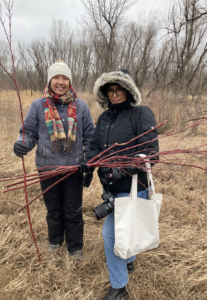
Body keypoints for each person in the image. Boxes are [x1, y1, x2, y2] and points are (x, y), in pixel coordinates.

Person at [79, 69, 159, 299]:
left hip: (132, 186)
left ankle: (119, 287)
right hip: (110, 186)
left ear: (128, 90)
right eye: (110, 91)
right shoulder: (104, 118)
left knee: (110, 235)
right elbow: (95, 146)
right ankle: (129, 260)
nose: (114, 95)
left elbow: (151, 155)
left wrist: (122, 169)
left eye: (119, 90)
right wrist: (89, 164)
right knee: (126, 228)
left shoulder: (141, 114)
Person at [13, 60, 94, 260]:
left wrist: (89, 161)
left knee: (73, 210)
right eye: (56, 77)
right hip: (47, 167)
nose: (60, 82)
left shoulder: (81, 106)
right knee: (54, 209)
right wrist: (22, 143)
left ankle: (75, 248)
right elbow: (29, 133)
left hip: (73, 169)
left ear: (70, 81)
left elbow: (91, 137)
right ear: (50, 81)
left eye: (64, 78)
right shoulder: (37, 105)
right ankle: (55, 242)